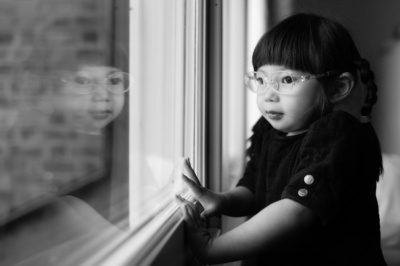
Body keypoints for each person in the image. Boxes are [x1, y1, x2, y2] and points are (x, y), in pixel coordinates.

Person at [176, 13, 387, 266]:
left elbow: (296, 210)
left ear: (337, 87)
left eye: (286, 80)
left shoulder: (339, 135)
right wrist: (219, 200)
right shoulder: (268, 130)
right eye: (261, 79)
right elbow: (253, 189)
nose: (268, 95)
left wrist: (213, 249)